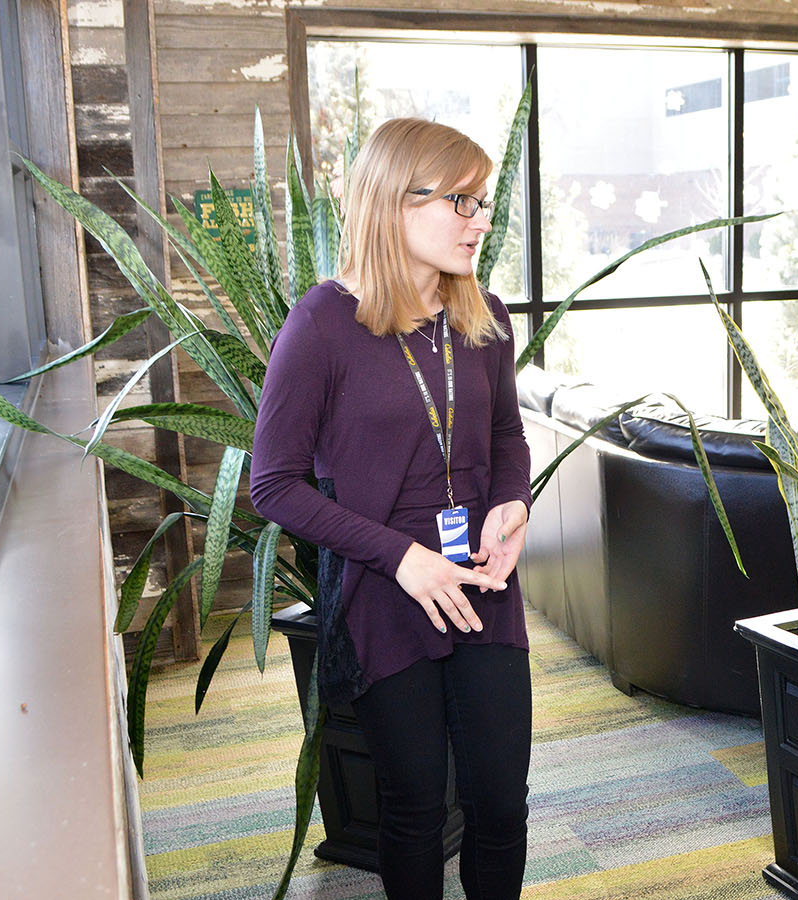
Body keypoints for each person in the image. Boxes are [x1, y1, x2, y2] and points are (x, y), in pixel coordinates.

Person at [250, 117, 533, 900]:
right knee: (411, 813)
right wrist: (401, 558)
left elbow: (508, 439)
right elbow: (272, 484)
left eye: (482, 203)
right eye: (461, 202)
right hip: (386, 595)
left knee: (501, 806)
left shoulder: (486, 318)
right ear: (393, 204)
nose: (480, 221)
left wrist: (513, 506)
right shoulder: (322, 324)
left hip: (482, 588)